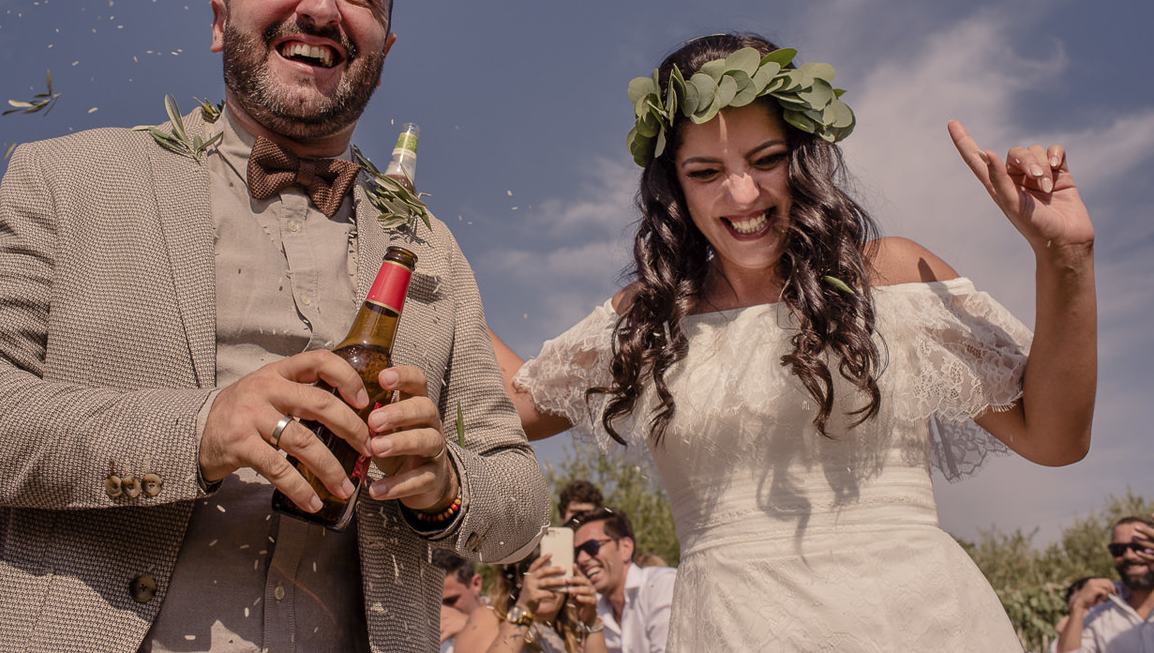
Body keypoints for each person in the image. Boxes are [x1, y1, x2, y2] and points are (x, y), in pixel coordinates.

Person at [0, 0, 547, 653]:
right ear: (219, 19)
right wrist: (199, 429)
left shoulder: (432, 248)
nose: (322, 7)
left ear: (385, 47)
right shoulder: (66, 178)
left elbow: (520, 492)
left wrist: (445, 489)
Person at [500, 32, 1098, 649]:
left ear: (804, 158)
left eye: (766, 160)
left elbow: (1056, 439)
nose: (741, 194)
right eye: (705, 172)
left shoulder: (893, 275)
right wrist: (423, 249)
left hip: (923, 625)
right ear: (673, 188)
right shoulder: (647, 318)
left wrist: (1065, 259)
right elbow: (511, 403)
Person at [455, 549, 606, 653]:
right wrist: (524, 608)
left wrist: (591, 621)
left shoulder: (572, 629)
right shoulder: (489, 618)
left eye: (556, 571)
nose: (545, 581)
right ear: (515, 578)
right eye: (530, 569)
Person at [569, 507, 674, 653]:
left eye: (591, 547)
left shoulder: (661, 585)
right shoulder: (594, 609)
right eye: (576, 552)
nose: (582, 559)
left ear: (626, 547)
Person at [1056, 516, 1154, 652]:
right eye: (1118, 550)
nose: (1129, 556)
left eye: (1138, 547)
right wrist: (1079, 606)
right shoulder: (1100, 616)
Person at [436, 548, 486, 652]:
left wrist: (470, 627)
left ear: (476, 584)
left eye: (451, 600)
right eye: (434, 604)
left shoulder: (506, 612)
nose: (442, 610)